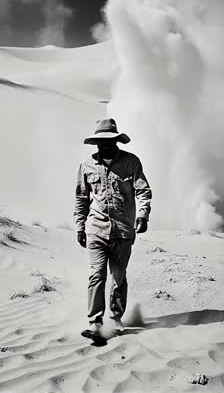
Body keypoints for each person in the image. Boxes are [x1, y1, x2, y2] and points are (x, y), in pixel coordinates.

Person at [74, 118, 152, 339]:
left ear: (116, 141)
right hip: (96, 228)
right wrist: (80, 226)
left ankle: (115, 318)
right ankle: (95, 322)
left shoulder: (131, 162)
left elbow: (143, 191)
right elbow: (81, 198)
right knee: (96, 275)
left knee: (118, 276)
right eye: (100, 141)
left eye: (108, 141)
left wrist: (142, 214)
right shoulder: (86, 165)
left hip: (123, 230)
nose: (103, 145)